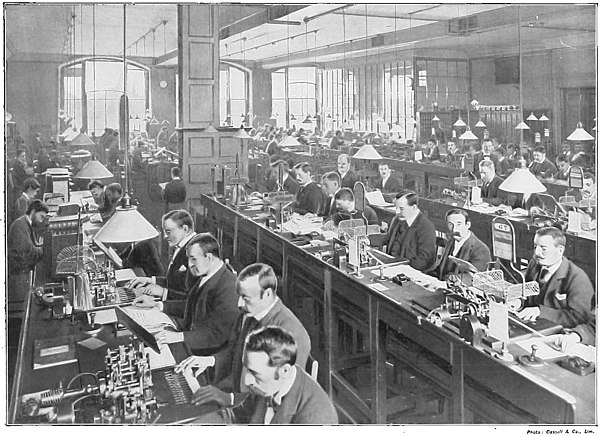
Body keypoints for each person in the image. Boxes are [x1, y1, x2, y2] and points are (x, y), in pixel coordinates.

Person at [175, 263, 311, 409]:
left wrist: (230, 399)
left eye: (245, 298)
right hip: (235, 391)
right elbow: (236, 351)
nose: (239, 304)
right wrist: (210, 360)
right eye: (239, 296)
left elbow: (277, 395)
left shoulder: (291, 332)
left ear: (267, 294)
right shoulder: (253, 313)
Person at [192, 326, 337, 424]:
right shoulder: (268, 384)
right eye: (247, 369)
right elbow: (238, 415)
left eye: (255, 373)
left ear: (284, 371)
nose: (247, 380)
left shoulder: (316, 418)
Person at [134, 233, 239, 354]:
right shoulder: (208, 273)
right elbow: (194, 306)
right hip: (189, 340)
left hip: (204, 356)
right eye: (188, 258)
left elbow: (217, 335)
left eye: (193, 258)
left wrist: (179, 337)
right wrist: (159, 306)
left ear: (209, 257)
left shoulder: (228, 287)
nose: (189, 264)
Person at [518, 227, 594, 329]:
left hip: (559, 332)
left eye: (543, 248)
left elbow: (579, 317)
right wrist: (519, 302)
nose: (537, 253)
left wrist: (541, 312)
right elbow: (526, 293)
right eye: (535, 247)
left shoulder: (577, 279)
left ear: (560, 250)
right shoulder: (534, 264)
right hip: (533, 325)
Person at [126, 209, 197, 300]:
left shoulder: (195, 251)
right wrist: (150, 280)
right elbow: (175, 283)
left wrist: (163, 292)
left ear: (185, 229)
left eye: (168, 232)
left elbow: (194, 299)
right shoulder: (182, 246)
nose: (165, 236)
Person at [372, 191, 436, 271]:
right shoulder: (398, 219)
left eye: (401, 208)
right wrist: (367, 240)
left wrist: (402, 269)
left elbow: (424, 259)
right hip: (392, 266)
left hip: (410, 271)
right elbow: (388, 238)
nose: (397, 212)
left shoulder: (426, 226)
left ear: (414, 207)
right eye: (396, 208)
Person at [432, 209, 491, 281]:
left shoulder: (481, 249)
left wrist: (450, 280)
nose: (454, 229)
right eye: (450, 224)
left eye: (459, 224)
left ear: (468, 225)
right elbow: (441, 270)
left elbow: (474, 278)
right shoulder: (451, 242)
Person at [8, 200, 48, 275]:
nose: (41, 221)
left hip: (21, 272)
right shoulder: (20, 225)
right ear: (33, 212)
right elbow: (28, 252)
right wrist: (44, 250)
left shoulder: (26, 223)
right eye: (41, 217)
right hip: (17, 274)